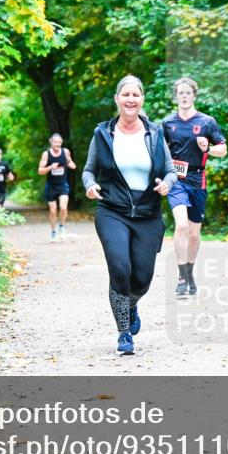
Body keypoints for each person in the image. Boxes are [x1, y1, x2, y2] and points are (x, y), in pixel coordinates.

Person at [82, 75, 177, 355]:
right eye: (125, 95)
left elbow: (171, 170)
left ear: (142, 99)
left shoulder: (155, 133)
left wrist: (167, 184)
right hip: (112, 210)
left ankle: (131, 304)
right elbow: (88, 170)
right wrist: (90, 185)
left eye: (136, 95)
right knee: (120, 268)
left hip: (148, 213)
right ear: (117, 99)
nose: (130, 99)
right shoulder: (102, 134)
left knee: (142, 279)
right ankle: (124, 332)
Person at [162, 77, 227, 295]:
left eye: (188, 93)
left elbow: (223, 150)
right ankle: (181, 276)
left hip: (198, 179)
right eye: (180, 93)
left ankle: (189, 272)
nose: (184, 96)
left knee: (193, 233)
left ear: (194, 95)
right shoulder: (168, 123)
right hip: (176, 180)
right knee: (181, 226)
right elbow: (160, 152)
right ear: (176, 96)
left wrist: (208, 148)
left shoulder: (207, 122)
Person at [38, 133, 77, 241]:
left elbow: (72, 165)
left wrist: (70, 163)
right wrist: (50, 167)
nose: (57, 144)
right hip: (51, 186)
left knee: (63, 207)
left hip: (62, 185)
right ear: (51, 142)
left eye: (59, 142)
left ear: (61, 143)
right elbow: (40, 171)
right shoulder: (46, 154)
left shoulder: (65, 152)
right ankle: (53, 232)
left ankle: (62, 226)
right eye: (55, 142)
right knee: (53, 210)